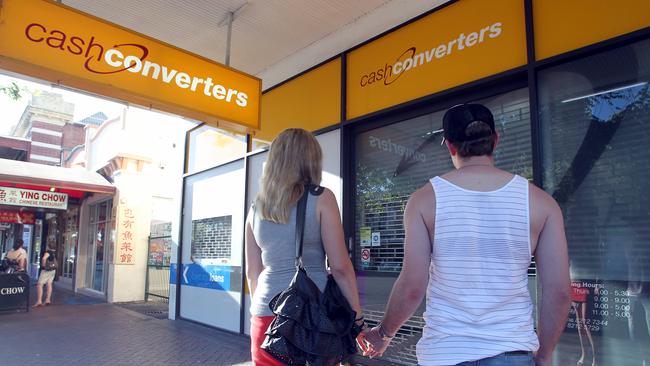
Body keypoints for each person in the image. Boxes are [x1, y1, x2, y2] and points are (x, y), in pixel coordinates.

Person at [364, 103, 572, 366]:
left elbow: (413, 287)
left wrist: (383, 334)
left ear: (449, 146)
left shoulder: (423, 201)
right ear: (495, 141)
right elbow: (559, 292)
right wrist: (543, 356)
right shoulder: (541, 203)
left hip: (444, 354)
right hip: (512, 354)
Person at [245, 128, 367, 365]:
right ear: (312, 160)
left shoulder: (255, 208)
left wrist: (262, 308)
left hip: (264, 317)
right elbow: (340, 268)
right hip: (311, 320)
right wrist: (358, 320)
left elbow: (253, 273)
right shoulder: (322, 198)